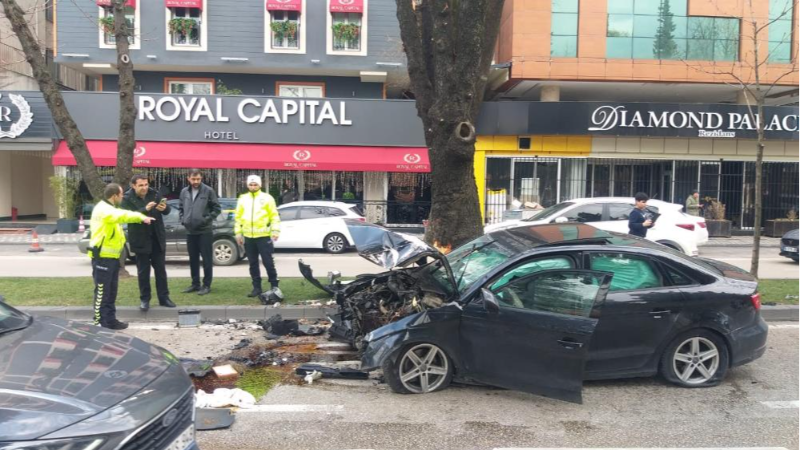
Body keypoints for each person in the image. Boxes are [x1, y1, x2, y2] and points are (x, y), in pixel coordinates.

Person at [89, 183, 155, 329]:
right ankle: (99, 323)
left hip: (110, 257)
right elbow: (124, 215)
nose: (122, 197)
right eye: (121, 195)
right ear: (114, 196)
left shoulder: (110, 208)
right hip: (102, 257)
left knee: (111, 291)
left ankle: (110, 320)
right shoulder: (105, 210)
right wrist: (141, 217)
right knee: (102, 291)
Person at [121, 174, 176, 312]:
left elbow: (167, 210)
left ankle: (164, 298)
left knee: (161, 271)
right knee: (143, 272)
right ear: (133, 185)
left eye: (146, 184)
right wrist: (145, 209)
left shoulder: (154, 193)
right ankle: (145, 299)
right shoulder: (127, 198)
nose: (145, 188)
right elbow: (127, 216)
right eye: (141, 185)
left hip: (157, 238)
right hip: (140, 239)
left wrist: (165, 208)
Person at [235, 175, 282, 300]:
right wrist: (238, 233)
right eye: (251, 184)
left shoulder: (267, 198)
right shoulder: (243, 199)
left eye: (255, 184)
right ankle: (257, 287)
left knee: (268, 263)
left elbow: (274, 216)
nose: (253, 186)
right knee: (253, 263)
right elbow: (238, 217)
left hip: (263, 236)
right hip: (248, 237)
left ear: (260, 185)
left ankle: (274, 286)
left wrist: (275, 231)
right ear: (247, 185)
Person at [179, 169, 221, 295]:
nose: (196, 181)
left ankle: (206, 285)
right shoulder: (184, 192)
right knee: (193, 259)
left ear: (201, 178)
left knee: (207, 259)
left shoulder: (208, 190)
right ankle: (195, 284)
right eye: (193, 179)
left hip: (204, 231)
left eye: (198, 179)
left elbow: (217, 208)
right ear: (188, 178)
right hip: (190, 231)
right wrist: (183, 220)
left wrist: (206, 220)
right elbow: (181, 207)